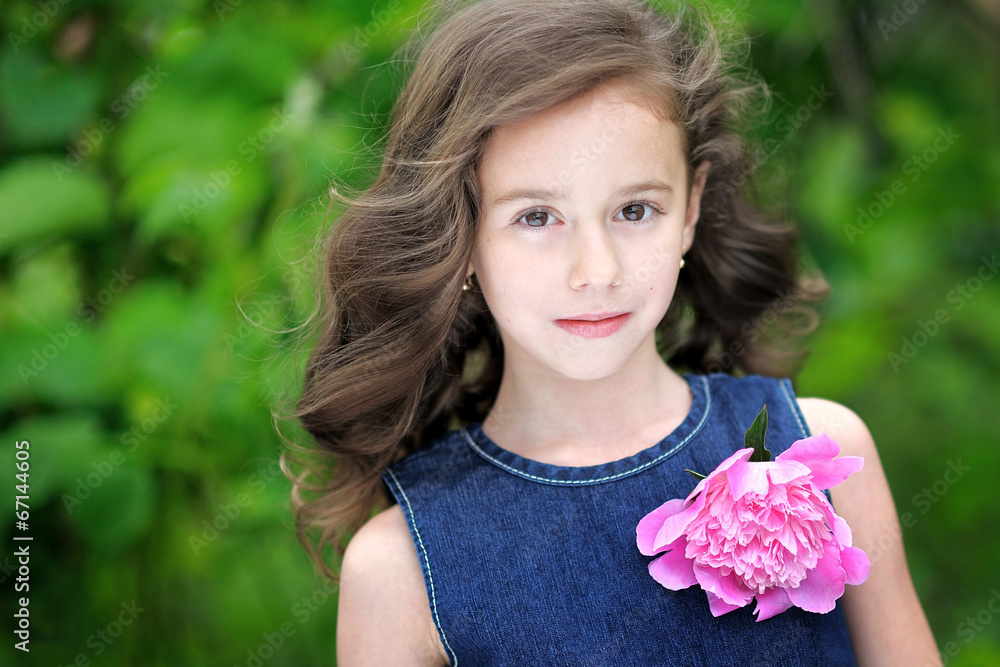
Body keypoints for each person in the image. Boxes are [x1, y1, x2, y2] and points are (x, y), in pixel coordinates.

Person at [283, 0, 939, 664]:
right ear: (462, 235)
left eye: (634, 209)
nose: (596, 270)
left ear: (690, 209)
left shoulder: (824, 456)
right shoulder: (397, 568)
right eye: (537, 217)